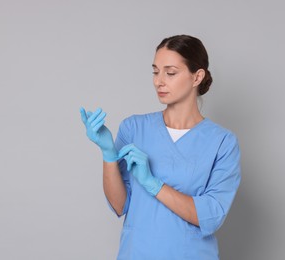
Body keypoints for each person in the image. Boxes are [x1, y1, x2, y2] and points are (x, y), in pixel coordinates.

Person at [79, 35, 241, 259]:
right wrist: (107, 153)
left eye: (170, 72)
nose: (159, 81)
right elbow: (119, 205)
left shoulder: (222, 142)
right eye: (156, 71)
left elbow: (211, 216)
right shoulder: (134, 128)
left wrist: (153, 184)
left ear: (197, 77)